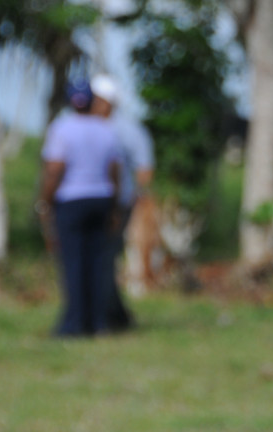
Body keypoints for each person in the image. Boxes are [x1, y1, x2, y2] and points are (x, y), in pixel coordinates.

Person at [37, 78, 121, 337]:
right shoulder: (106, 129)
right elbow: (114, 171)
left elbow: (54, 169)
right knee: (96, 262)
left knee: (73, 262)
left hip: (71, 201)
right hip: (101, 199)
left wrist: (44, 201)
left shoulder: (61, 128)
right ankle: (98, 323)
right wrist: (114, 206)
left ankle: (73, 324)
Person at [90, 74, 155, 330]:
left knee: (106, 258)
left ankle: (111, 316)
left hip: (118, 205)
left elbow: (144, 169)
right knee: (97, 259)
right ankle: (115, 315)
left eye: (97, 99)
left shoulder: (128, 130)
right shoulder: (85, 125)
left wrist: (136, 201)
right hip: (88, 202)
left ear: (109, 102)